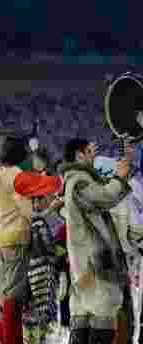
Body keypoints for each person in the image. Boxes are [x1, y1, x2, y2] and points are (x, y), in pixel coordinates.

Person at [0, 136, 63, 344]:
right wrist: (54, 173)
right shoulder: (17, 176)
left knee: (8, 293)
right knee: (13, 296)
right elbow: (50, 184)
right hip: (16, 238)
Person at [58, 138, 132, 344]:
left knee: (82, 315)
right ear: (79, 155)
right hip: (94, 262)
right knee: (103, 310)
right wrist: (119, 178)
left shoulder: (72, 181)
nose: (94, 155)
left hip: (83, 262)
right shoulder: (79, 181)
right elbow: (103, 197)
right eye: (90, 151)